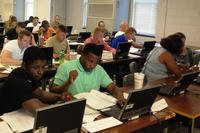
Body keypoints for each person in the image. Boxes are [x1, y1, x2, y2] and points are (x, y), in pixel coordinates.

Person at [0, 46, 70, 115]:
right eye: (36, 67)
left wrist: (60, 96)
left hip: (18, 113)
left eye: (43, 67)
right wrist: (65, 110)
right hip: (5, 118)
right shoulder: (17, 81)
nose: (41, 72)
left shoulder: (29, 74)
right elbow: (39, 110)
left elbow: (40, 94)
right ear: (24, 65)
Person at [51, 44, 125, 106]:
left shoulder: (99, 69)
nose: (92, 66)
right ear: (82, 55)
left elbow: (113, 88)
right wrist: (68, 83)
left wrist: (121, 98)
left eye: (96, 62)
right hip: (72, 105)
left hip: (93, 107)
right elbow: (53, 91)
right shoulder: (65, 67)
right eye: (90, 61)